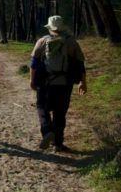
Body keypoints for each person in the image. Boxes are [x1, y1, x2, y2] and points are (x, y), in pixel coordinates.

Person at [30, 15, 87, 152]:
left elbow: (34, 64)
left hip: (45, 83)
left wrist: (32, 81)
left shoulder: (42, 41)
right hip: (65, 83)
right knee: (60, 113)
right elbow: (80, 64)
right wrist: (83, 82)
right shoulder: (72, 42)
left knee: (42, 107)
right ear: (62, 27)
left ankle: (47, 130)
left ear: (50, 28)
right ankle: (58, 144)